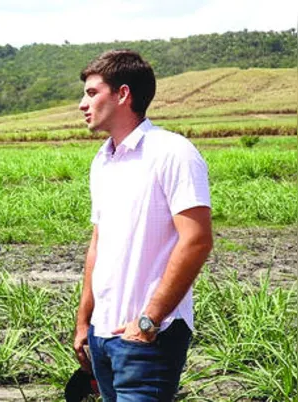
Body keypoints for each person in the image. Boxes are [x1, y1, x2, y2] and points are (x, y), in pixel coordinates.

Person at [73, 50, 213, 401]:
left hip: (150, 335)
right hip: (103, 335)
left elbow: (196, 240)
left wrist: (149, 320)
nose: (81, 104)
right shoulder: (102, 160)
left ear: (123, 94)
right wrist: (84, 322)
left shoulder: (172, 152)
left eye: (92, 93)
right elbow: (98, 244)